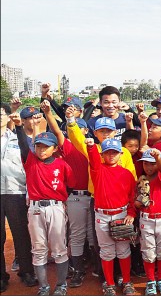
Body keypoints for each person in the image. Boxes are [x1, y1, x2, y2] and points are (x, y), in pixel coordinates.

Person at [12, 113, 74, 296]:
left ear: (54, 148)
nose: (41, 150)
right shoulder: (31, 161)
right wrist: (17, 127)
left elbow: (69, 185)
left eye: (46, 147)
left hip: (55, 207)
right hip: (36, 208)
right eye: (38, 146)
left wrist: (60, 203)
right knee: (38, 249)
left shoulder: (62, 164)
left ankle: (61, 284)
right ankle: (44, 286)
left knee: (59, 249)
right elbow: (24, 146)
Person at [40, 100, 94, 288]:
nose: (74, 133)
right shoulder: (68, 147)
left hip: (94, 197)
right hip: (76, 197)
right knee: (78, 235)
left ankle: (97, 267)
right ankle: (78, 270)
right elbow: (56, 131)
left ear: (85, 131)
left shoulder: (94, 147)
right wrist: (48, 113)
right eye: (72, 129)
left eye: (79, 129)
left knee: (93, 235)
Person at [85, 137, 137, 296]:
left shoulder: (127, 174)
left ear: (121, 154)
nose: (111, 155)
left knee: (123, 250)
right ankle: (109, 283)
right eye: (108, 152)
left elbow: (132, 197)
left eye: (114, 152)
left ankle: (127, 281)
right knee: (107, 252)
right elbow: (93, 158)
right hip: (102, 215)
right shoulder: (98, 170)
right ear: (102, 155)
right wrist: (91, 147)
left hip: (121, 214)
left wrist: (131, 213)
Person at [1, 103, 37, 293]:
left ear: (8, 116)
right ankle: (1, 276)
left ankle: (26, 271)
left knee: (21, 234)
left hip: (16, 192)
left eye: (2, 114)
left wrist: (20, 129)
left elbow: (28, 155)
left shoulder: (17, 137)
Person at [136, 149, 161, 296]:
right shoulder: (140, 181)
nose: (149, 167)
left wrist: (158, 158)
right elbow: (135, 203)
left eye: (152, 164)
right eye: (146, 163)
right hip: (146, 219)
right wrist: (137, 203)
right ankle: (151, 280)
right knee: (148, 252)